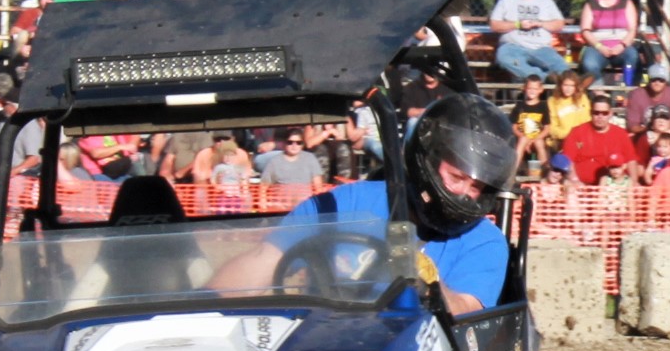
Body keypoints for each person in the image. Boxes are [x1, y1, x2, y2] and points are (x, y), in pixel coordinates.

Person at [215, 94, 513, 314]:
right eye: (457, 177)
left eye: (477, 187)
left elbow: (467, 311)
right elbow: (262, 262)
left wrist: (430, 282)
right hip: (320, 344)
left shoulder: (484, 241)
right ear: (429, 162)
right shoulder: (344, 204)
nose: (466, 195)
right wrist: (205, 301)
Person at [488, 0, 571, 81]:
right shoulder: (506, 0)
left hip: (541, 48)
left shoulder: (546, 1)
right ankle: (543, 78)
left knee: (560, 66)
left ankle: (574, 87)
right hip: (513, 47)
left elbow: (559, 24)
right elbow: (494, 25)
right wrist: (517, 25)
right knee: (504, 59)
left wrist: (540, 23)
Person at [559, 91, 641, 184]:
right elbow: (567, 161)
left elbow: (631, 160)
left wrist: (634, 181)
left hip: (611, 185)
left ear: (610, 114)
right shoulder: (576, 132)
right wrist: (574, 180)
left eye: (604, 113)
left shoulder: (621, 134)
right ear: (591, 113)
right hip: (579, 184)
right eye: (596, 113)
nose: (600, 116)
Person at [577, 0, 642, 82]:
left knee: (632, 57)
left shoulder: (626, 3)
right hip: (597, 46)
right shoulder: (591, 4)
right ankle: (599, 93)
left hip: (621, 46)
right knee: (589, 63)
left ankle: (629, 89)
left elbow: (632, 29)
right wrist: (599, 46)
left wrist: (622, 45)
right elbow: (585, 30)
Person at [259, 130, 327, 190]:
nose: (294, 145)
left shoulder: (310, 158)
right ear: (285, 143)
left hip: (305, 203)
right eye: (290, 142)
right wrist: (263, 204)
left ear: (302, 144)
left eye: (298, 143)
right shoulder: (274, 162)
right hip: (281, 204)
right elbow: (263, 188)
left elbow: (318, 187)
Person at [625, 69, 670, 134]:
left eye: (661, 80)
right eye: (653, 80)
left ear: (666, 81)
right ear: (648, 80)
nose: (657, 83)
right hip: (643, 133)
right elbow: (632, 126)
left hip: (668, 134)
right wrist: (651, 130)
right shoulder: (636, 95)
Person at [543, 70, 591, 147]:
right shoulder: (552, 101)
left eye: (571, 86)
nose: (568, 89)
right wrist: (567, 135)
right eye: (565, 85)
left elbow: (587, 119)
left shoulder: (582, 98)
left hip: (581, 139)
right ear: (560, 85)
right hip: (561, 141)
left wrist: (580, 136)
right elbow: (552, 127)